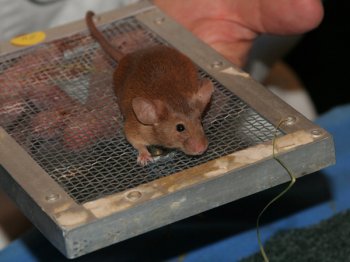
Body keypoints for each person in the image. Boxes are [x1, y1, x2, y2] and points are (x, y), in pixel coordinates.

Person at [0, 0, 326, 260]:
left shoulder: (186, 104)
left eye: (193, 127)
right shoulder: (143, 120)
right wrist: (142, 150)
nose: (196, 141)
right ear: (148, 116)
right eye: (183, 130)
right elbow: (134, 132)